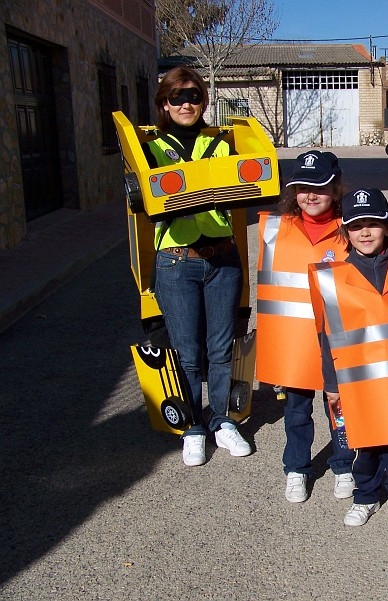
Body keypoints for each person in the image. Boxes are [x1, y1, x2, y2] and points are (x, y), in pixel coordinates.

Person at [143, 66, 252, 466]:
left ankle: (222, 419)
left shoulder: (222, 142)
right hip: (176, 260)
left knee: (221, 349)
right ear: (164, 104)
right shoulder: (150, 145)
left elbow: (247, 182)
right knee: (188, 352)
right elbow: (143, 193)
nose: (186, 104)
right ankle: (193, 426)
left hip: (222, 257)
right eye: (177, 97)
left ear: (204, 101)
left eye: (193, 96)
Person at [308, 188, 388, 527]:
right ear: (345, 231)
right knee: (366, 440)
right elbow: (326, 338)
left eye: (373, 224)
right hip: (356, 381)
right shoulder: (331, 279)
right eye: (356, 225)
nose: (364, 232)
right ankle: (365, 494)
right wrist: (332, 385)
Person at [255, 151, 356, 502]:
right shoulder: (274, 228)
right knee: (296, 411)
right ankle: (296, 468)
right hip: (293, 346)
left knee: (339, 408)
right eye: (302, 187)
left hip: (336, 344)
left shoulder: (351, 229)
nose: (310, 195)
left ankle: (344, 465)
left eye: (320, 187)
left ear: (336, 188)